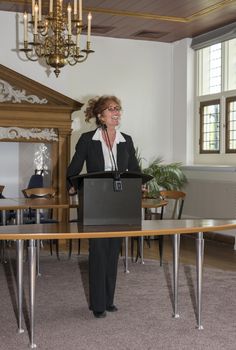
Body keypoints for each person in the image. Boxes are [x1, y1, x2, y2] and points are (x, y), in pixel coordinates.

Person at [67, 95, 140, 318]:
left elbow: (135, 170)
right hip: (96, 201)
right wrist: (77, 188)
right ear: (101, 115)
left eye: (118, 109)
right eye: (111, 109)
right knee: (98, 252)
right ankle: (98, 304)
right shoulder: (88, 139)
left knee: (112, 252)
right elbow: (73, 171)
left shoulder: (126, 139)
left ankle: (109, 300)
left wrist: (139, 186)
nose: (116, 112)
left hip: (119, 202)